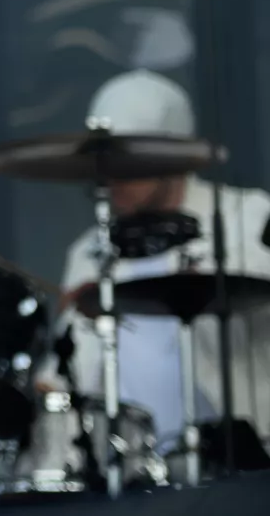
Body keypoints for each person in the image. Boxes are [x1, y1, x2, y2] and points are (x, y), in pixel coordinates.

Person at [52, 69, 270, 452]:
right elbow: (67, 377)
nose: (112, 178)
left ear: (175, 158)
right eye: (103, 162)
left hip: (240, 463)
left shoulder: (247, 217)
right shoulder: (88, 251)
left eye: (128, 163)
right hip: (130, 471)